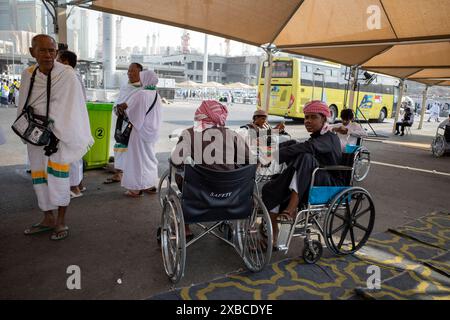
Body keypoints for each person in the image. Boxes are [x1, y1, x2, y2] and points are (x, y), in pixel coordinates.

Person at [18, 35, 93, 240]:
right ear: (32, 52)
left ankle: (61, 221)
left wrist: (60, 132)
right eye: (42, 50)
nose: (48, 55)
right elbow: (23, 105)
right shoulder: (28, 74)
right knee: (39, 177)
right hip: (35, 135)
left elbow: (75, 108)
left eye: (52, 51)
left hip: (57, 137)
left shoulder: (67, 75)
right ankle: (47, 218)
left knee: (59, 178)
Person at [261, 100, 343, 246]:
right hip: (310, 177)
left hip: (328, 181)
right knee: (271, 187)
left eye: (313, 117)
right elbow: (297, 147)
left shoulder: (329, 137)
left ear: (324, 118)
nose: (308, 121)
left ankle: (291, 208)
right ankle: (274, 234)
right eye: (306, 117)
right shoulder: (318, 136)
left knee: (305, 156)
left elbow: (307, 148)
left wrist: (274, 156)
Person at [170, 100, 250, 239]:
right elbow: (249, 160)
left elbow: (176, 161)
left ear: (200, 115)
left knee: (179, 175)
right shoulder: (232, 135)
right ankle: (227, 219)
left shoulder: (189, 134)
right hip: (231, 194)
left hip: (201, 194)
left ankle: (186, 225)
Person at [116, 70, 162, 197]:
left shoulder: (141, 94)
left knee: (136, 159)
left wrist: (124, 110)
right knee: (149, 158)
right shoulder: (156, 94)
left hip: (139, 131)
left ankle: (136, 189)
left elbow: (132, 112)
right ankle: (150, 185)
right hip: (152, 131)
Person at [104, 62, 143, 184]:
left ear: (140, 73)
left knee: (133, 149)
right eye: (129, 71)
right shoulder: (125, 87)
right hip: (122, 121)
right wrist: (117, 108)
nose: (129, 73)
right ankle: (119, 173)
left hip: (135, 123)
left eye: (133, 71)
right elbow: (119, 100)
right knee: (120, 145)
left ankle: (132, 174)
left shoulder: (143, 89)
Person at [57, 50, 86, 198]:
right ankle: (79, 185)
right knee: (76, 154)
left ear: (66, 62)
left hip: (70, 121)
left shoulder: (68, 77)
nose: (56, 62)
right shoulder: (75, 76)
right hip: (76, 120)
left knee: (71, 155)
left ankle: (74, 188)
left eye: (58, 59)